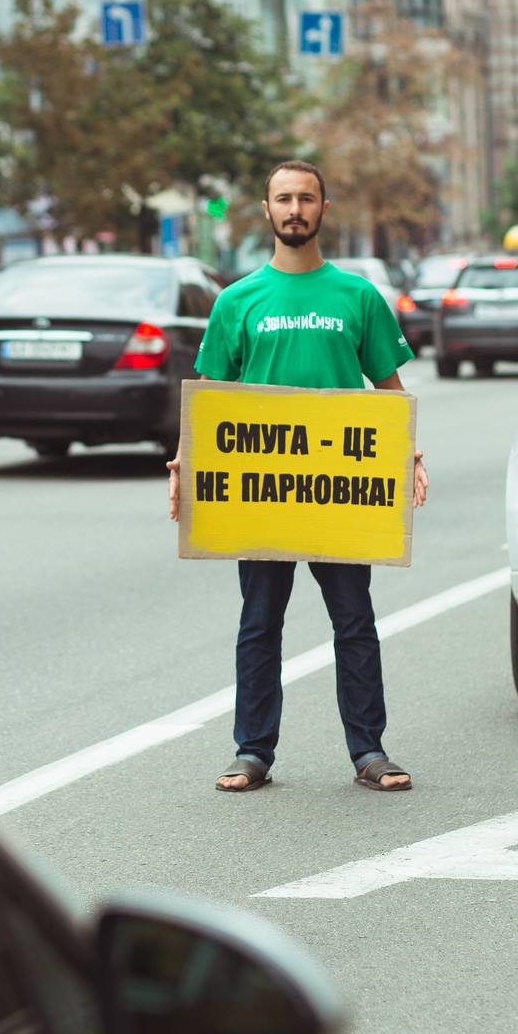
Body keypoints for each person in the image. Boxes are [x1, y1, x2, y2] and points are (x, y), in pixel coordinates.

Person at [167, 159, 429, 795]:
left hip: (339, 496)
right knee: (260, 623)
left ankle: (369, 750)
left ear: (323, 208)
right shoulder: (237, 301)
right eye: (283, 199)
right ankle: (252, 751)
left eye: (305, 198)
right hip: (261, 497)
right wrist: (183, 462)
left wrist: (408, 454)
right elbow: (211, 398)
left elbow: (389, 392)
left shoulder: (358, 298)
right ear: (266, 210)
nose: (294, 209)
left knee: (354, 622)